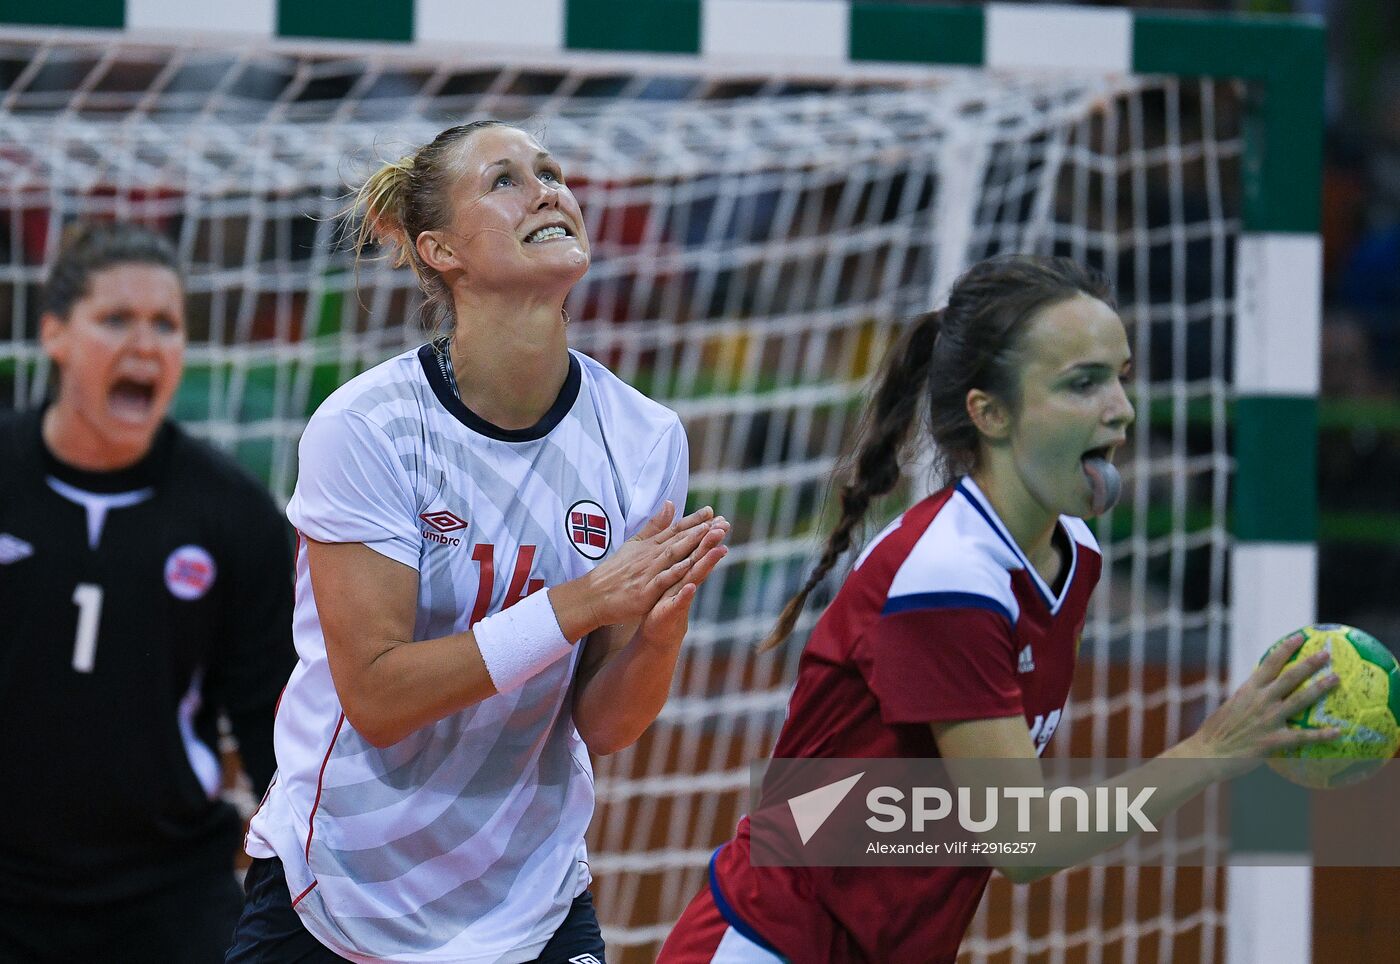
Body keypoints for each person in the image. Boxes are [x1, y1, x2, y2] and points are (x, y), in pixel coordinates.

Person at [657, 254, 1341, 963]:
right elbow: (1025, 843)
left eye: (1121, 376)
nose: (1121, 408)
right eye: (1083, 383)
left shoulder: (1072, 554)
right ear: (990, 413)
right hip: (774, 944)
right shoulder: (949, 577)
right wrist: (1211, 749)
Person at [227, 119, 730, 963]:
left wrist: (658, 638)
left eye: (552, 171)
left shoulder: (644, 436)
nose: (546, 190)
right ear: (442, 250)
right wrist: (581, 604)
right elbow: (379, 700)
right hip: (341, 891)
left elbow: (602, 728)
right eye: (505, 179)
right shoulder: (369, 427)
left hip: (529, 897)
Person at [0, 222, 296, 962]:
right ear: (55, 336)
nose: (145, 343)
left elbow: (273, 724)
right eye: (116, 319)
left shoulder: (233, 514)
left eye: (165, 324)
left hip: (168, 887)